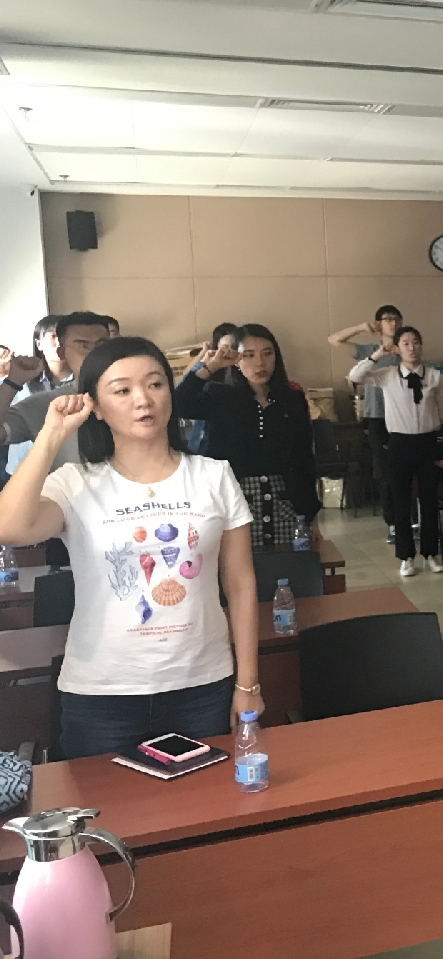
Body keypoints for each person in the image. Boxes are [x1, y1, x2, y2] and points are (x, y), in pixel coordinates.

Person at [0, 337, 260, 759]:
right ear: (97, 407)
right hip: (102, 695)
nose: (143, 399)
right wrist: (51, 435)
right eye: (122, 390)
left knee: (204, 799)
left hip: (202, 687)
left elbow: (241, 585)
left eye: (155, 384)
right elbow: (8, 528)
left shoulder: (213, 477)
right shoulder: (75, 483)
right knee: (105, 802)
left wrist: (248, 683)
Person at [174, 324, 321, 549]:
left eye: (267, 353)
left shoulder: (292, 399)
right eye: (249, 355)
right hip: (233, 500)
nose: (260, 363)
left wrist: (312, 515)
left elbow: (304, 458)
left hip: (287, 499)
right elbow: (177, 404)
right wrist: (211, 367)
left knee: (286, 564)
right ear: (235, 359)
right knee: (237, 564)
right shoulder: (219, 396)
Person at [348, 326, 443, 577]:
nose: (412, 347)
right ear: (397, 348)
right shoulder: (388, 375)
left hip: (427, 442)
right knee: (401, 501)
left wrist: (429, 425)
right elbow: (355, 376)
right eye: (405, 343)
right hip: (399, 443)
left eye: (416, 342)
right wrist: (377, 355)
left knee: (429, 500)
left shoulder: (435, 376)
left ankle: (430, 553)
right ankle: (406, 556)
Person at [0, 312, 113, 474]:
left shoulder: (136, 396)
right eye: (83, 346)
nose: (94, 353)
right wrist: (13, 381)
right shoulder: (46, 404)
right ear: (61, 352)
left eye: (102, 345)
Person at [329, 305, 403, 542]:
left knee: (404, 471)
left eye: (396, 319)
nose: (392, 323)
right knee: (384, 472)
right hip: (377, 418)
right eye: (387, 319)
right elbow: (334, 340)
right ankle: (393, 523)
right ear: (379, 324)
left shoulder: (406, 348)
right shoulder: (369, 351)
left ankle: (410, 519)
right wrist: (362, 327)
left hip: (403, 419)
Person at [184, 323, 241, 455]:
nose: (229, 352)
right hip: (202, 446)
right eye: (225, 348)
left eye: (234, 347)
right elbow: (182, 392)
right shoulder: (212, 382)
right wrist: (204, 358)